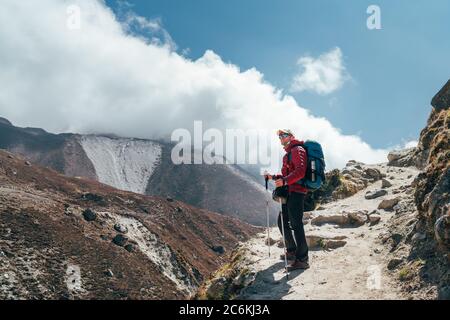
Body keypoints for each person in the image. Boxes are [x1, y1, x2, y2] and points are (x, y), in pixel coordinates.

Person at [265, 129, 310, 271]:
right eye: (280, 137)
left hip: (297, 192)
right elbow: (288, 174)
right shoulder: (288, 154)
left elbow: (300, 171)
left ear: (291, 136)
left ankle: (303, 259)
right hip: (289, 192)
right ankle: (292, 251)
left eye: (284, 135)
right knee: (282, 221)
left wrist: (284, 181)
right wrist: (273, 177)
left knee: (296, 224)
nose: (281, 138)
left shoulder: (298, 150)